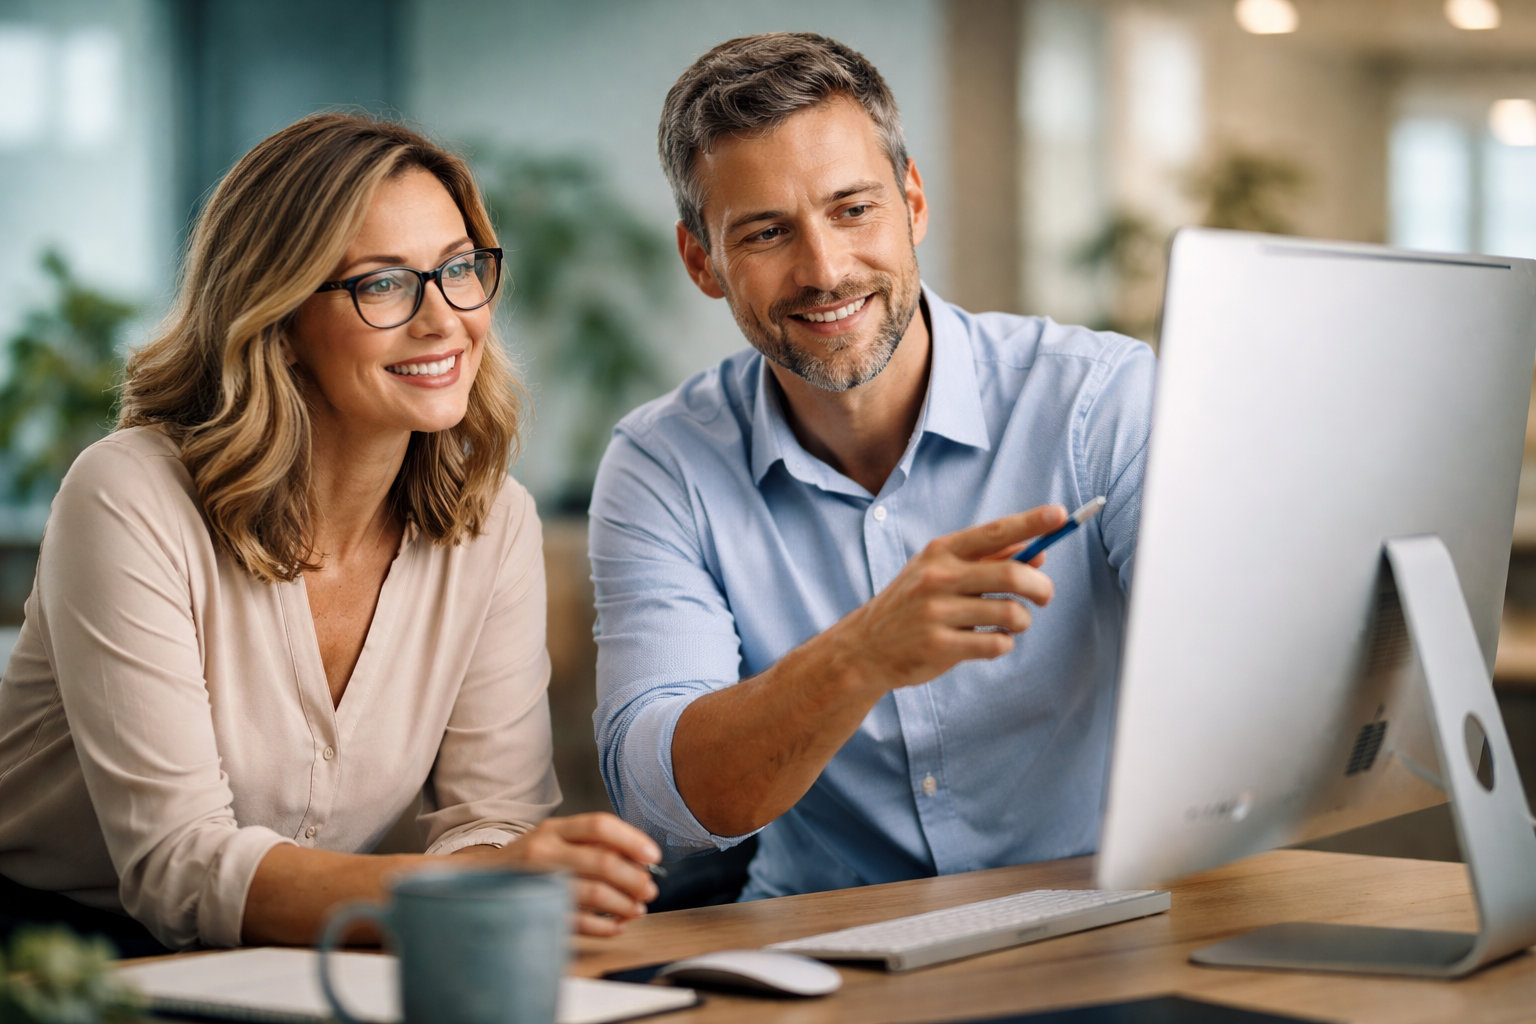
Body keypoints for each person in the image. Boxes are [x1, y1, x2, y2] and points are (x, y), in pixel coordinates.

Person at [0, 113, 660, 955]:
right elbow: (179, 865)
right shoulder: (129, 495)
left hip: (301, 951)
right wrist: (481, 890)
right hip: (52, 959)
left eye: (460, 268)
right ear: (277, 320)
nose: (444, 319)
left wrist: (514, 885)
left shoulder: (494, 522)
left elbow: (493, 821)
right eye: (382, 284)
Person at [591, 33, 1155, 901]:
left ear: (913, 201)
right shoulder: (663, 464)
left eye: (853, 209)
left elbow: (1234, 677)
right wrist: (858, 657)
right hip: (819, 940)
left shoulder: (1099, 401)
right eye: (767, 232)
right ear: (703, 262)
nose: (825, 271)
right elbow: (664, 802)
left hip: (1097, 918)